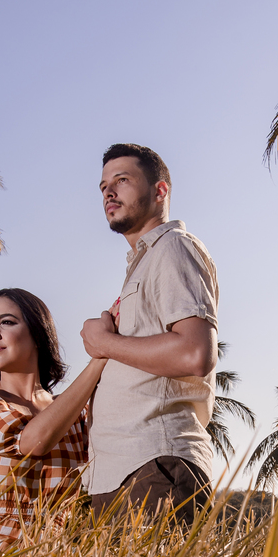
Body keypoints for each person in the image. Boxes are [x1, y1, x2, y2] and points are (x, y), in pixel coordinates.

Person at [80, 143, 219, 523]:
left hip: (155, 465)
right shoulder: (142, 265)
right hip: (121, 472)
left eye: (122, 180)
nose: (109, 192)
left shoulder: (173, 247)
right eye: (104, 185)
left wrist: (103, 342)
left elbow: (195, 354)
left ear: (160, 191)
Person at [0, 288, 107, 553]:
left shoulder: (75, 413)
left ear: (37, 333)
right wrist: (100, 358)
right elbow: (33, 442)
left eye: (7, 322)